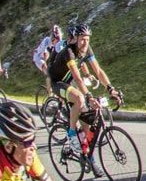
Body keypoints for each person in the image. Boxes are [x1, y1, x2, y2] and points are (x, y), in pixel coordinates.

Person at [49, 25, 120, 171]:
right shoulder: (69, 52)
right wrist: (89, 96)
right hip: (58, 83)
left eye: (87, 40)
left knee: (88, 128)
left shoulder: (87, 49)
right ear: (76, 39)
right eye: (82, 40)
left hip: (71, 84)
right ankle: (71, 132)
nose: (85, 43)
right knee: (80, 98)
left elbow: (98, 71)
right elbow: (77, 78)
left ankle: (89, 158)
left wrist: (111, 89)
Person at [31, 25, 65, 100]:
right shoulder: (46, 41)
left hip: (46, 57)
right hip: (38, 58)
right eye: (57, 39)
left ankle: (55, 91)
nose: (58, 41)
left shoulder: (59, 43)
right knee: (49, 74)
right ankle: (50, 96)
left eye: (59, 39)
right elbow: (45, 55)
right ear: (53, 37)